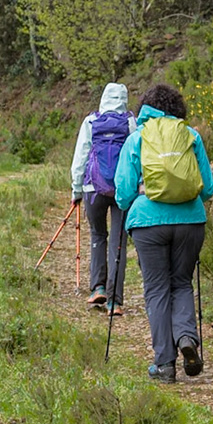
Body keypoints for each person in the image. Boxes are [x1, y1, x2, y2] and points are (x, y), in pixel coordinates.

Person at [110, 82, 213, 382]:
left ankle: (164, 364)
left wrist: (137, 201)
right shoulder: (190, 135)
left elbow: (123, 192)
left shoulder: (137, 139)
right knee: (181, 283)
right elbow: (207, 187)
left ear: (147, 108)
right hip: (191, 221)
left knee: (156, 289)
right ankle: (186, 338)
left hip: (148, 222)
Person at [69, 83, 131, 310]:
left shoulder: (91, 121)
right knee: (118, 243)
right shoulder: (130, 122)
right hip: (122, 189)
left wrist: (76, 190)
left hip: (92, 189)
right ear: (125, 99)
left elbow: (81, 157)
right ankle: (115, 301)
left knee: (97, 236)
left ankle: (98, 288)